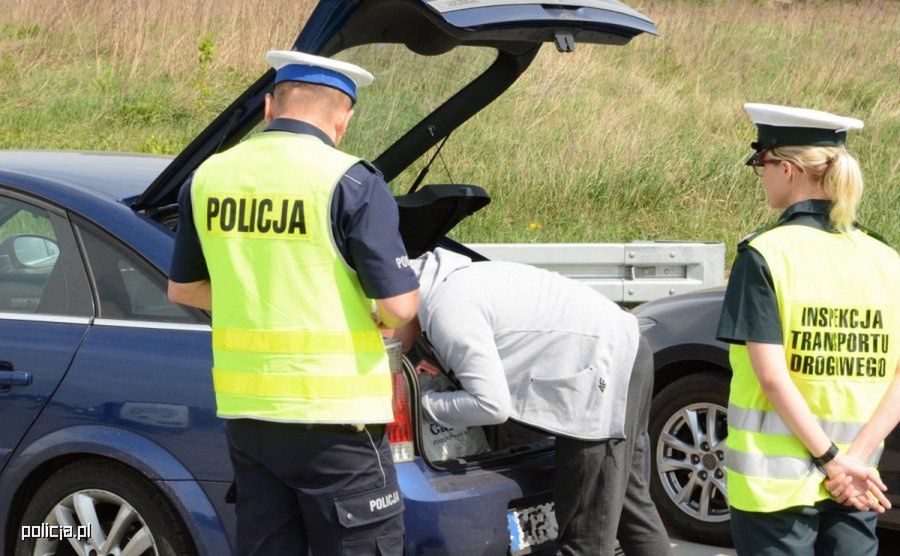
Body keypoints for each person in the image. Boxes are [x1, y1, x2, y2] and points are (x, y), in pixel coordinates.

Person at [167, 50, 419, 555]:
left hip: (250, 419)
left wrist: (256, 298)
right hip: (336, 422)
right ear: (343, 119)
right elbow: (400, 307)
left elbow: (185, 290)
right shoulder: (350, 182)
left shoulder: (208, 177)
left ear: (267, 107)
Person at [389, 248, 671, 556]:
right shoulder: (451, 280)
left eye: (378, 323)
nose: (382, 338)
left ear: (397, 302)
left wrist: (426, 405)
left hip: (599, 372)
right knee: (632, 505)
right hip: (628, 349)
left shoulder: (449, 309)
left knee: (585, 538)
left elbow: (491, 406)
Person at [717, 103, 899, 555]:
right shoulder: (886, 259)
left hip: (776, 493)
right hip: (857, 481)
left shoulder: (765, 254)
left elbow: (772, 377)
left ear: (789, 168)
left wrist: (831, 461)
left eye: (761, 162)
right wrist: (851, 461)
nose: (761, 175)